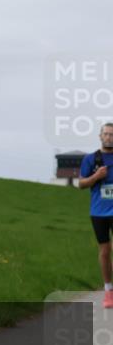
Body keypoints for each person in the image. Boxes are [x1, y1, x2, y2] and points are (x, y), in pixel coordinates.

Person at [79, 122, 113, 309]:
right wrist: (96, 177)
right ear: (100, 136)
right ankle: (108, 290)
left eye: (112, 134)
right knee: (105, 251)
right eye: (106, 134)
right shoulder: (91, 159)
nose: (109, 137)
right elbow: (81, 184)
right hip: (99, 212)